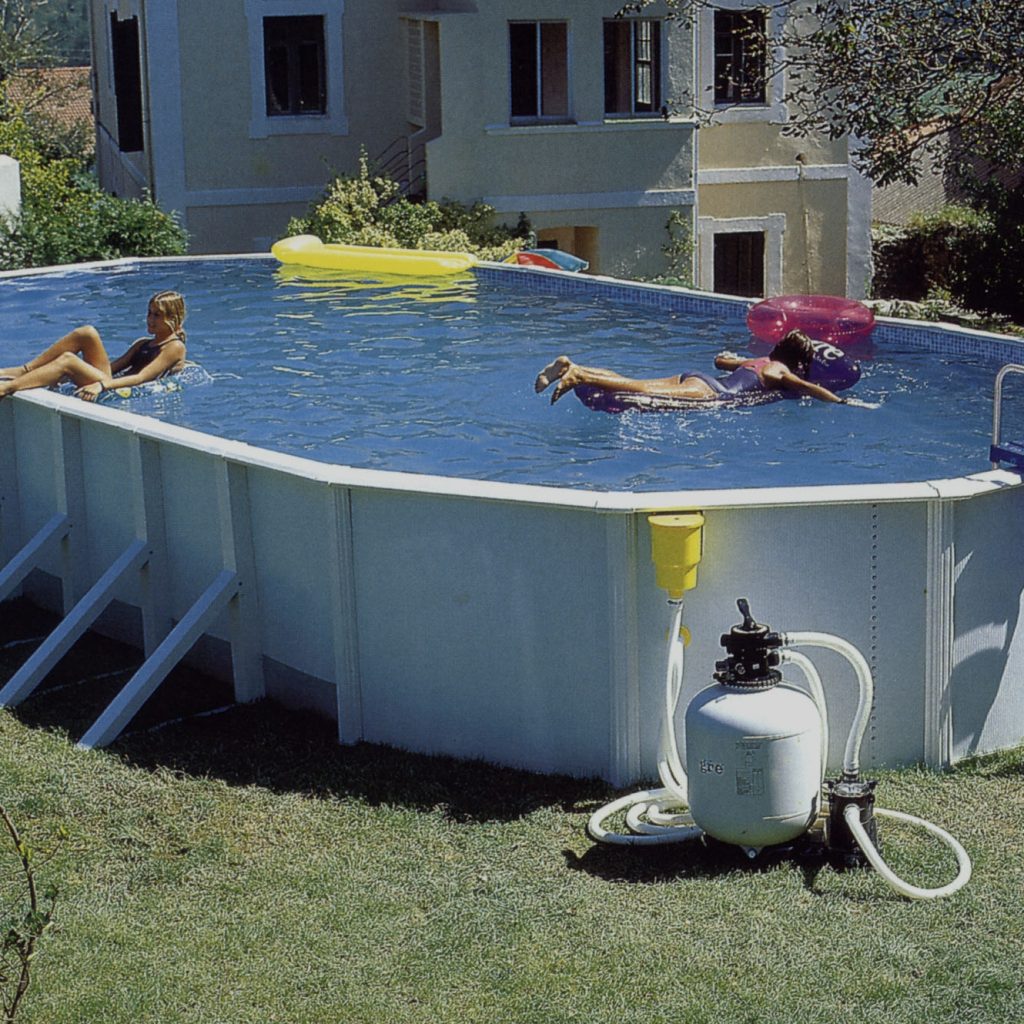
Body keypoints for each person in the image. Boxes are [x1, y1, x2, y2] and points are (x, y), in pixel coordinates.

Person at [534, 329, 853, 406]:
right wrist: (838, 400)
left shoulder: (758, 361)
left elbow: (721, 360)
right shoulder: (780, 371)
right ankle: (581, 375)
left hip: (700, 377)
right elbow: (807, 388)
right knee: (641, 391)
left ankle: (572, 365)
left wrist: (729, 357)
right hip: (710, 392)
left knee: (636, 382)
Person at [0, 290, 187, 402]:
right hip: (111, 380)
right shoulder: (142, 343)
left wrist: (100, 385)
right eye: (149, 313)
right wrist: (69, 375)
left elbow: (141, 377)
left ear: (172, 318)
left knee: (68, 360)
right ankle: (25, 370)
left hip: (118, 389)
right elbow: (113, 368)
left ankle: (8, 388)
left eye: (157, 315)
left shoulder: (174, 347)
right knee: (87, 332)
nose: (150, 320)